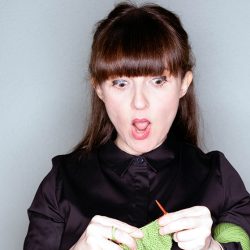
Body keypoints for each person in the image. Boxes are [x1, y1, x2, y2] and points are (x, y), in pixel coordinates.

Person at [23, 2, 250, 250]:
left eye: (158, 81)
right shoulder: (61, 183)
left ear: (184, 83)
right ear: (99, 88)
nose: (139, 102)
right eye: (121, 83)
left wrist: (213, 248)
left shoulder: (218, 178)